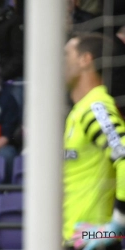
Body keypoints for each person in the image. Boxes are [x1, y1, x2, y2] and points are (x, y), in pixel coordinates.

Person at [63, 33, 125, 250]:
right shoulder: (79, 111)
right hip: (74, 240)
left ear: (85, 59)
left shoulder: (95, 108)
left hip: (94, 242)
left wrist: (117, 224)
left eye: (66, 54)